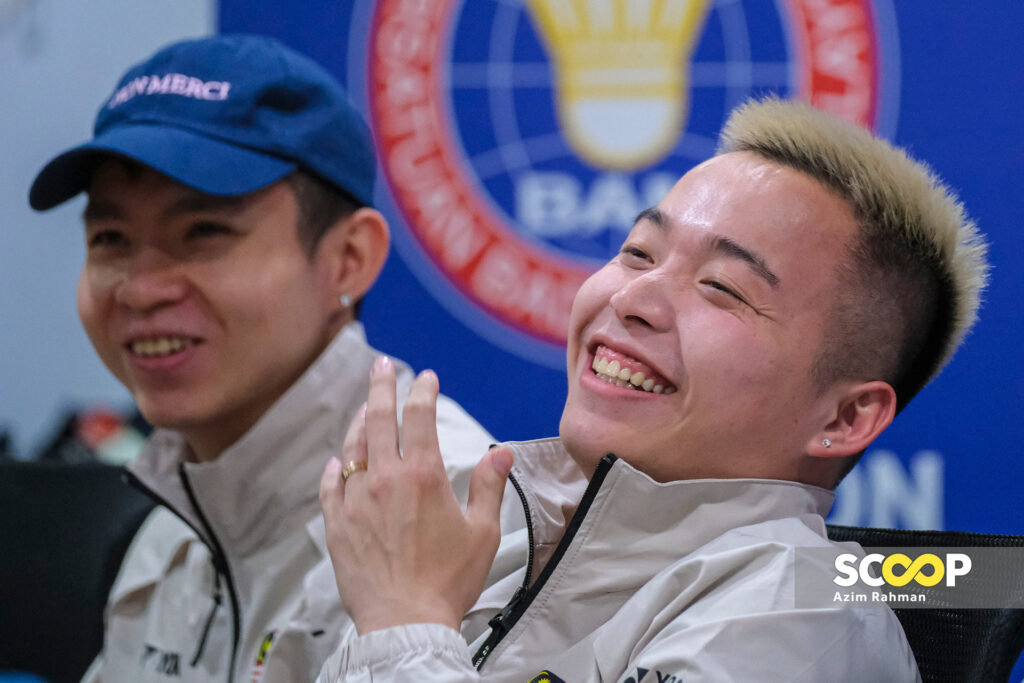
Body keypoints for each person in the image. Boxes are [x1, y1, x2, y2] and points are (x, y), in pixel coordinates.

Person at [316, 96, 989, 681]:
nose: (635, 296)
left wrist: (406, 622)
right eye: (637, 251)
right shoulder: (488, 540)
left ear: (845, 416)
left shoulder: (801, 614)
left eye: (722, 288)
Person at [28, 35, 503, 682]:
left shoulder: (451, 515)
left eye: (204, 232)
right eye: (111, 238)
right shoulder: (167, 537)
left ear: (350, 258)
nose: (141, 288)